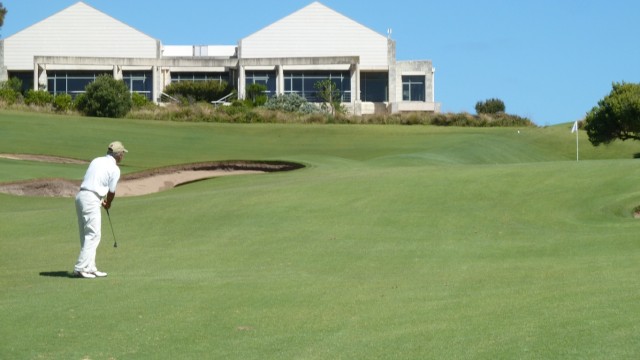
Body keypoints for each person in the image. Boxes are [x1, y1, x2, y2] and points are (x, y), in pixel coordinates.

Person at [73, 141, 128, 278]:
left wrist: (100, 199)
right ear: (118, 155)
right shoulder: (115, 169)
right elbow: (112, 191)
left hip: (81, 196)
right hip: (91, 199)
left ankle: (90, 267)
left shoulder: (96, 160)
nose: (123, 156)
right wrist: (108, 203)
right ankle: (80, 268)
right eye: (122, 153)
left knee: (87, 235)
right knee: (94, 235)